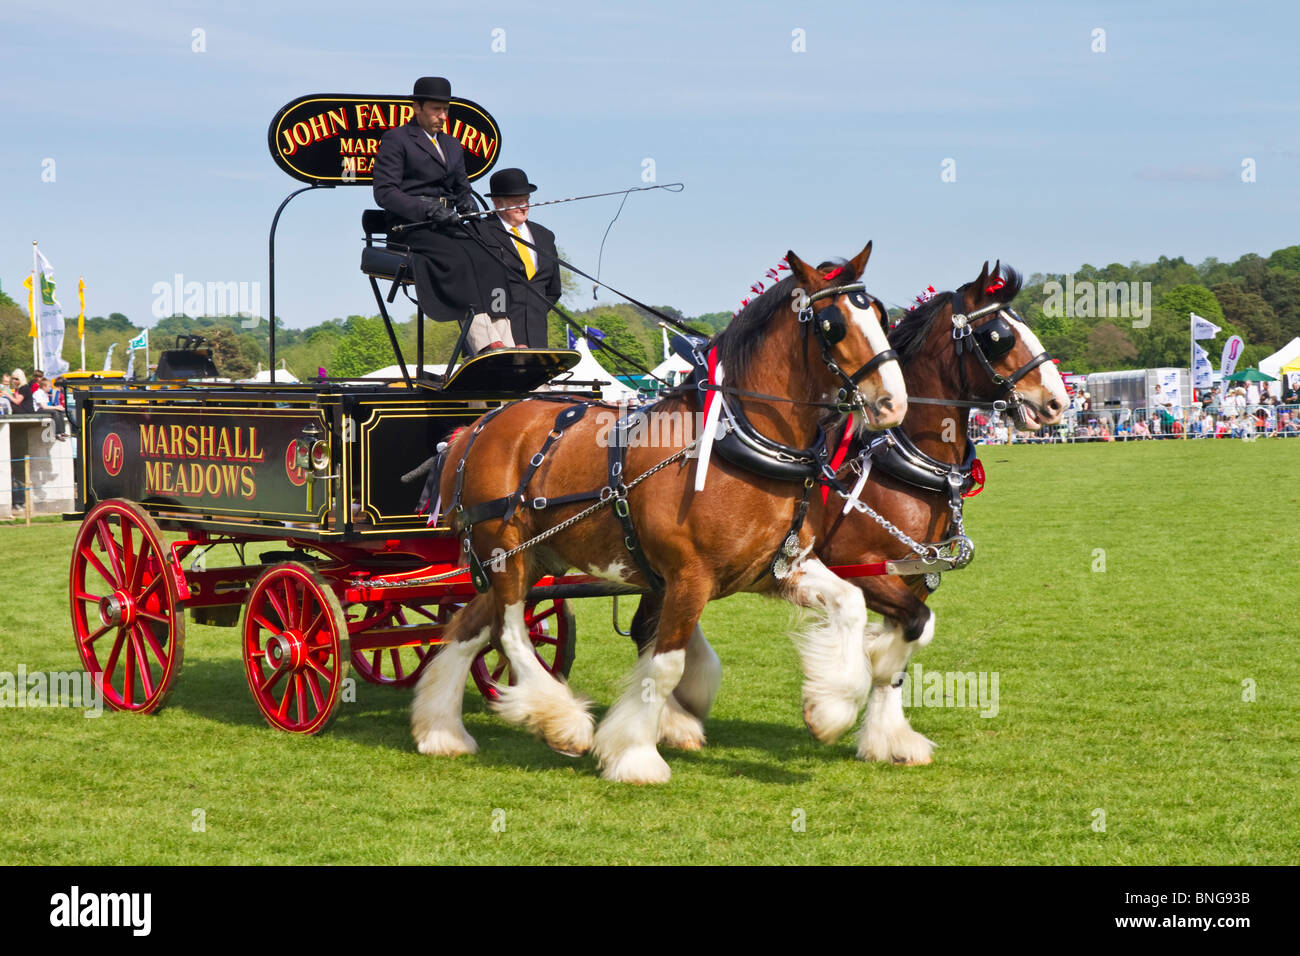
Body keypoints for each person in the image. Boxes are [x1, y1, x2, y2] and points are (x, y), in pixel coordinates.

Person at [372, 76, 513, 354]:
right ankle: (483, 342)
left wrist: (469, 209)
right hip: (413, 226)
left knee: (494, 255)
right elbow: (385, 193)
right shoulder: (397, 139)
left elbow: (463, 189)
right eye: (436, 109)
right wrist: (428, 209)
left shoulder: (451, 145)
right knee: (460, 258)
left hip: (448, 224)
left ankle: (504, 334)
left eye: (446, 110)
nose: (442, 116)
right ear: (417, 107)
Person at [482, 167, 562, 348]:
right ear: (497, 203)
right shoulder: (481, 232)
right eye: (516, 201)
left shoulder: (545, 236)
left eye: (526, 200)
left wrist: (533, 313)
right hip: (499, 338)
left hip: (537, 337)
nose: (523, 207)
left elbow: (553, 290)